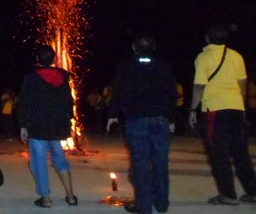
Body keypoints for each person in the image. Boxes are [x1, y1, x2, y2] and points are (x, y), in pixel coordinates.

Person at [106, 34, 177, 214]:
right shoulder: (164, 67)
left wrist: (113, 115)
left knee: (140, 163)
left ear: (134, 48)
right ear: (153, 48)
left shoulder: (125, 67)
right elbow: (171, 94)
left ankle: (144, 206)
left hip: (136, 119)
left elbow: (118, 93)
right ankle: (161, 203)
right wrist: (172, 118)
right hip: (160, 119)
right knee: (160, 162)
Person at [188, 24, 256, 205]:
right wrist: (240, 107)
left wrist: (193, 109)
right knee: (241, 153)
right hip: (236, 107)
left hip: (215, 110)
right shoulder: (236, 56)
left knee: (218, 154)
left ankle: (228, 195)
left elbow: (199, 86)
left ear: (207, 38)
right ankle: (253, 191)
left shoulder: (204, 57)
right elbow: (242, 84)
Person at [19, 45, 77, 208]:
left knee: (38, 162)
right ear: (54, 59)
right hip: (57, 126)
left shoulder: (31, 78)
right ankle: (71, 196)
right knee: (59, 159)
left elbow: (24, 102)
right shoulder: (63, 76)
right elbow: (68, 101)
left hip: (38, 126)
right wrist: (69, 120)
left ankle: (46, 199)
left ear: (37, 60)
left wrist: (23, 125)